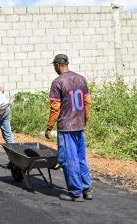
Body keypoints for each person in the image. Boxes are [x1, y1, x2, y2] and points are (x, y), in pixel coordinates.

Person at [45, 54, 92, 202]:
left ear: (58, 65)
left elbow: (55, 108)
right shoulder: (81, 79)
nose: (54, 68)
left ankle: (75, 192)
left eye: (54, 65)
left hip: (66, 127)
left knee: (67, 159)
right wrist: (84, 120)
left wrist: (49, 126)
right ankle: (87, 189)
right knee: (80, 157)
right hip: (79, 125)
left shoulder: (57, 82)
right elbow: (88, 102)